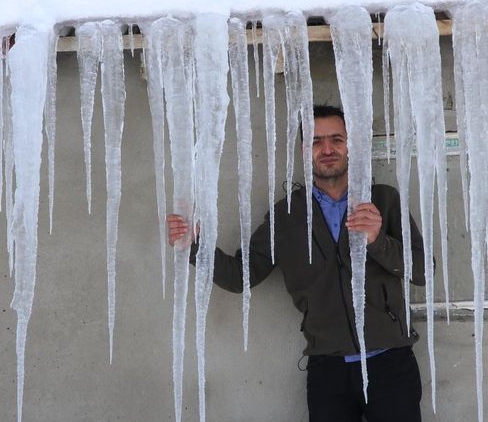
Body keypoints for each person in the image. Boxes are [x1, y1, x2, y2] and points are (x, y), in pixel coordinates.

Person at [167, 105, 427, 422]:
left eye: (336, 139)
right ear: (305, 151)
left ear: (351, 146)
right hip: (328, 370)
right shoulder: (286, 216)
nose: (327, 149)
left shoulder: (384, 200)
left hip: (390, 363)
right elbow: (240, 276)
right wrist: (195, 246)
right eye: (316, 142)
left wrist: (378, 240)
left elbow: (423, 272)